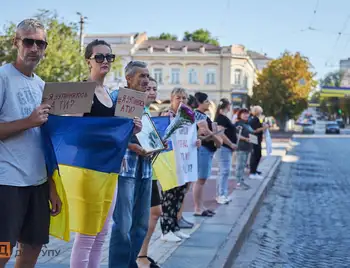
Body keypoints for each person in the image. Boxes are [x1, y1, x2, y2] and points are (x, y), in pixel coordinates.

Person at [69, 39, 142, 268]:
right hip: (89, 169)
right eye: (99, 57)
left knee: (101, 234)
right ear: (88, 60)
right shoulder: (82, 91)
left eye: (109, 57)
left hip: (110, 170)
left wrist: (131, 129)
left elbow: (115, 134)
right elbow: (75, 135)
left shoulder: (109, 95)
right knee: (87, 235)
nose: (105, 61)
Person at [0, 19, 61, 268]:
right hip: (7, 183)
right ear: (16, 43)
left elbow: (44, 142)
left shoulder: (42, 86)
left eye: (40, 43)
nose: (34, 47)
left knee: (33, 249)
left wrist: (51, 187)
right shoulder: (3, 77)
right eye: (28, 41)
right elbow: (31, 124)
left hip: (37, 184)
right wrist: (28, 121)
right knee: (2, 251)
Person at [108, 61, 152, 268]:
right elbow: (110, 133)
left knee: (141, 224)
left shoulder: (144, 104)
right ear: (129, 78)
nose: (146, 80)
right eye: (141, 76)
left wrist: (157, 144)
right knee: (123, 225)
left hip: (145, 170)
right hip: (126, 169)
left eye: (147, 76)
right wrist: (134, 147)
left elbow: (145, 134)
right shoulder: (116, 99)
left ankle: (129, 263)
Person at [160, 88, 201, 242]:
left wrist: (197, 142)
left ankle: (175, 228)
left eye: (184, 98)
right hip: (170, 162)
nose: (181, 101)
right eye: (178, 98)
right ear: (172, 99)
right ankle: (165, 230)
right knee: (168, 198)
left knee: (179, 197)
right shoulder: (166, 115)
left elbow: (191, 137)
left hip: (184, 163)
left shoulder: (189, 117)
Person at [137, 77, 162, 268]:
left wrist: (159, 144)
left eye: (154, 88)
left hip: (149, 170)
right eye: (148, 88)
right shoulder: (136, 110)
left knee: (154, 213)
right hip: (137, 171)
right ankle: (140, 255)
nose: (152, 92)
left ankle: (142, 254)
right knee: (148, 214)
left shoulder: (147, 112)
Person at [193, 92, 222, 217]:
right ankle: (198, 208)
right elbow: (202, 135)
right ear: (199, 103)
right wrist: (213, 133)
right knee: (200, 180)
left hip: (208, 150)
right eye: (206, 101)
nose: (208, 103)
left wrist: (214, 133)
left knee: (202, 180)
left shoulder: (204, 116)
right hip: (203, 150)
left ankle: (201, 206)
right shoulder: (198, 116)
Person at [214, 98, 237, 204]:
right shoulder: (221, 118)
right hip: (224, 148)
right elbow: (220, 133)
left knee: (223, 171)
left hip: (225, 148)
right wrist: (231, 144)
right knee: (224, 171)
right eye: (229, 105)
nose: (230, 107)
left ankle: (221, 194)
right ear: (227, 106)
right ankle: (221, 194)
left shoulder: (222, 117)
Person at [234, 108, 254, 190]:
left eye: (247, 113)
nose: (246, 115)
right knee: (240, 165)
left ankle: (241, 181)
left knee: (243, 165)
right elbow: (236, 134)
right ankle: (238, 183)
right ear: (240, 115)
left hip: (248, 147)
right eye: (244, 114)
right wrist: (245, 139)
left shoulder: (247, 124)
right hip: (241, 147)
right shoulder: (238, 124)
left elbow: (251, 134)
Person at [248, 106, 268, 180]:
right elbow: (254, 130)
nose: (261, 113)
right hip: (254, 139)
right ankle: (252, 172)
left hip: (257, 139)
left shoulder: (257, 119)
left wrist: (263, 125)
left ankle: (254, 170)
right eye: (260, 112)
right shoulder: (254, 119)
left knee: (258, 155)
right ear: (257, 112)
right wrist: (264, 128)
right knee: (256, 155)